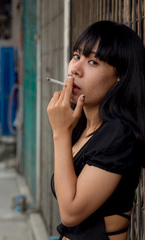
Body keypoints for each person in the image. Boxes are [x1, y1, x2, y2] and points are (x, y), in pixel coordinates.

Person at [47, 20, 145, 240]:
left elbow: (71, 213)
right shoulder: (81, 127)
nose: (75, 69)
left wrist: (60, 133)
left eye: (93, 62)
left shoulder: (120, 134)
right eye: (76, 56)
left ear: (119, 77)